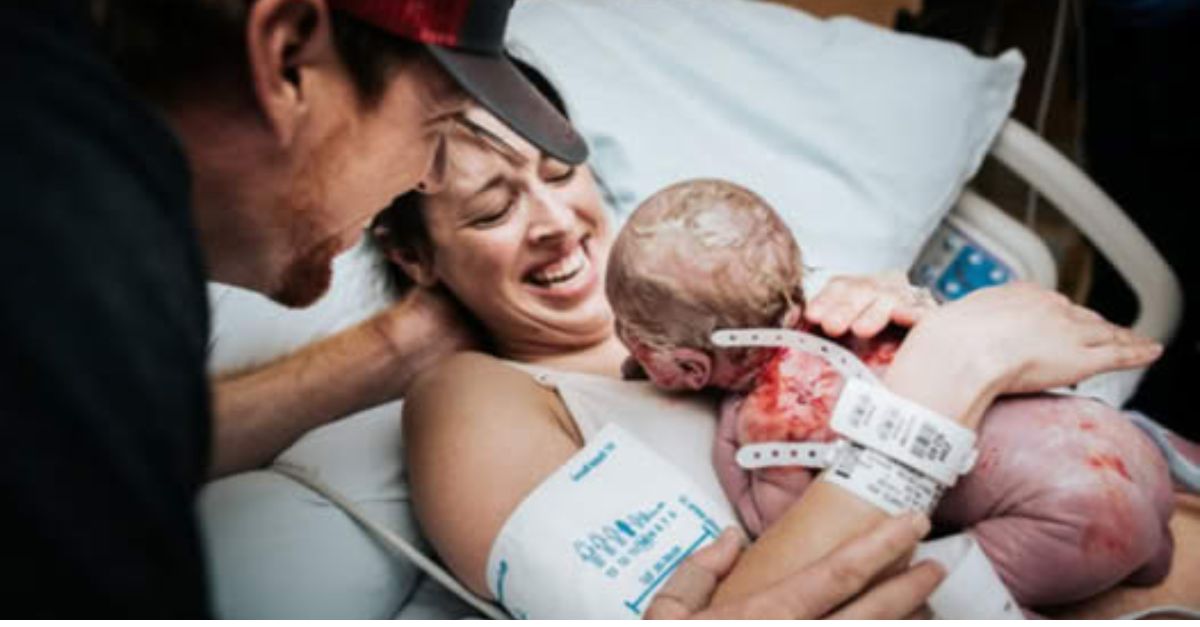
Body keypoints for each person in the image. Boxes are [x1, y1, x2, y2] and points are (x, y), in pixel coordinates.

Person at [371, 95, 1193, 617]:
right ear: (415, 258)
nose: (556, 220)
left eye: (559, 173)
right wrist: (938, 387)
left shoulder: (797, 289)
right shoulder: (481, 398)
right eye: (491, 211)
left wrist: (919, 331)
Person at [1, 0, 586, 616]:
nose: (429, 179)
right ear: (287, 60)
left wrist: (399, 345)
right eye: (436, 127)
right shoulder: (75, 264)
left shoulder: (66, 132)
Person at [605, 178, 1182, 610]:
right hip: (1134, 452)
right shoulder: (857, 318)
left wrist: (733, 463)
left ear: (687, 366)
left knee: (936, 590)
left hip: (1075, 517)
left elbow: (797, 537)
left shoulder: (772, 417)